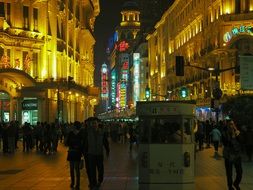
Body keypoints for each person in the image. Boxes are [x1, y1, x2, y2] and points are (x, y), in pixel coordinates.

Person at [86, 117, 110, 190]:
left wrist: (107, 150)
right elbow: (85, 143)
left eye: (95, 123)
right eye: (93, 123)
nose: (94, 125)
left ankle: (100, 180)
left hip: (99, 154)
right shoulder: (88, 132)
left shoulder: (102, 132)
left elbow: (105, 142)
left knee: (100, 169)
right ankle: (94, 182)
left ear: (98, 124)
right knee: (92, 169)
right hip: (91, 154)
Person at [222, 120, 242, 190]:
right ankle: (230, 186)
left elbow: (241, 141)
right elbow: (225, 142)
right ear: (227, 125)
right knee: (229, 172)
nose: (232, 126)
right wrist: (232, 137)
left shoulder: (237, 132)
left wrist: (237, 134)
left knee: (240, 172)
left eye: (233, 124)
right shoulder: (224, 133)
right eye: (230, 124)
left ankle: (236, 183)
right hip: (229, 155)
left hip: (237, 155)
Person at [66, 121, 83, 190]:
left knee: (75, 169)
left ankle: (76, 183)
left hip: (74, 152)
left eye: (73, 125)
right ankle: (74, 183)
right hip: (74, 152)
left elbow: (67, 142)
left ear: (75, 126)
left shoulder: (73, 134)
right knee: (73, 169)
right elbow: (67, 142)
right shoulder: (73, 133)